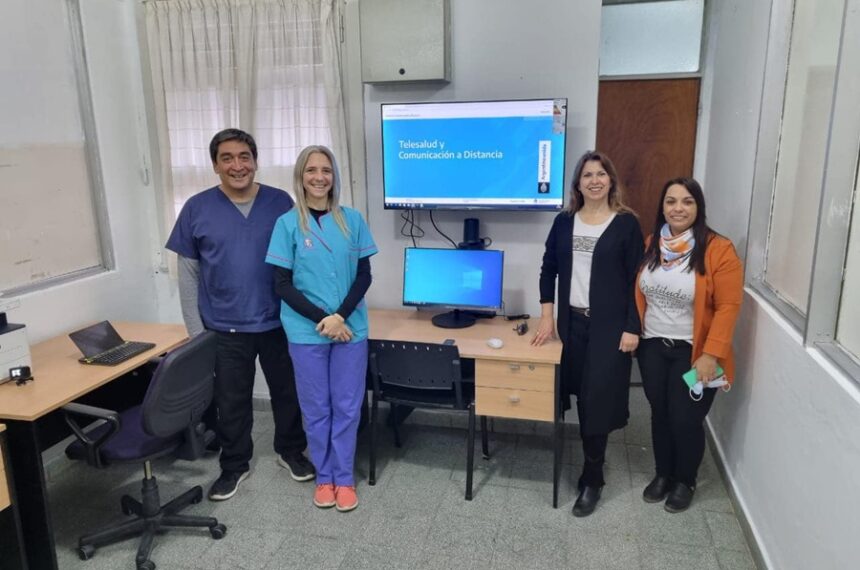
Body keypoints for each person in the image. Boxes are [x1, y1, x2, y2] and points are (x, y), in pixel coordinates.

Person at [166, 129, 314, 501]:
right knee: (230, 402)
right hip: (223, 326)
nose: (237, 165)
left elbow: (301, 261)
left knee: (288, 393)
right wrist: (197, 333)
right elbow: (188, 274)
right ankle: (234, 465)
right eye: (227, 158)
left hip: (279, 322)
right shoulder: (197, 208)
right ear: (215, 165)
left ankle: (291, 451)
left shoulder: (280, 203)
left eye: (244, 156)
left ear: (255, 161)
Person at [265, 145, 377, 513]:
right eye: (311, 170)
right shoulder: (287, 224)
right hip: (306, 331)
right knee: (316, 408)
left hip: (350, 329)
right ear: (301, 176)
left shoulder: (352, 220)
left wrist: (340, 316)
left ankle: (343, 479)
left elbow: (364, 276)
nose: (319, 177)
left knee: (347, 407)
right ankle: (324, 477)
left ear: (334, 176)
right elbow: (282, 284)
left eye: (326, 170)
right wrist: (323, 320)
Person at [532, 150, 644, 517]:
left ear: (611, 181)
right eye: (587, 175)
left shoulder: (625, 224)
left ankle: (593, 478)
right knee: (579, 395)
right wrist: (547, 317)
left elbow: (636, 280)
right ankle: (591, 460)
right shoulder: (564, 222)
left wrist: (632, 327)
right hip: (572, 325)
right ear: (577, 185)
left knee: (597, 401)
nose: (594, 180)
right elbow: (548, 269)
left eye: (600, 174)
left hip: (610, 328)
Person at [635, 177, 743, 513]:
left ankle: (685, 480)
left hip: (694, 352)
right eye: (671, 201)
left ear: (698, 207)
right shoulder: (653, 243)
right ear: (662, 207)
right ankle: (663, 473)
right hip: (653, 346)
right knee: (660, 413)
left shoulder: (718, 249)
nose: (678, 208)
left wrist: (711, 354)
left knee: (685, 418)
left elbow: (728, 306)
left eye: (687, 201)